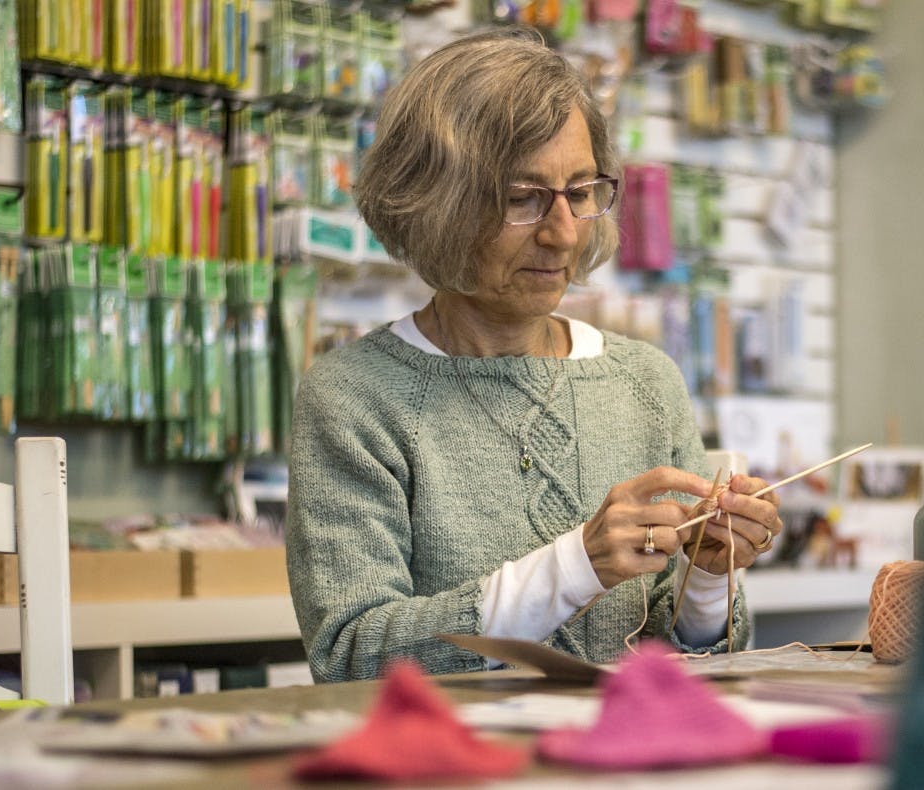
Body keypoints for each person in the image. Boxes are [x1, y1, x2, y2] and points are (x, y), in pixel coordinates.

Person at [285, 26, 783, 683]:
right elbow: (350, 656)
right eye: (523, 198)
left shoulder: (643, 382)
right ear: (436, 203)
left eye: (580, 192)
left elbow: (690, 657)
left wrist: (708, 581)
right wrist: (573, 568)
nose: (564, 232)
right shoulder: (355, 396)